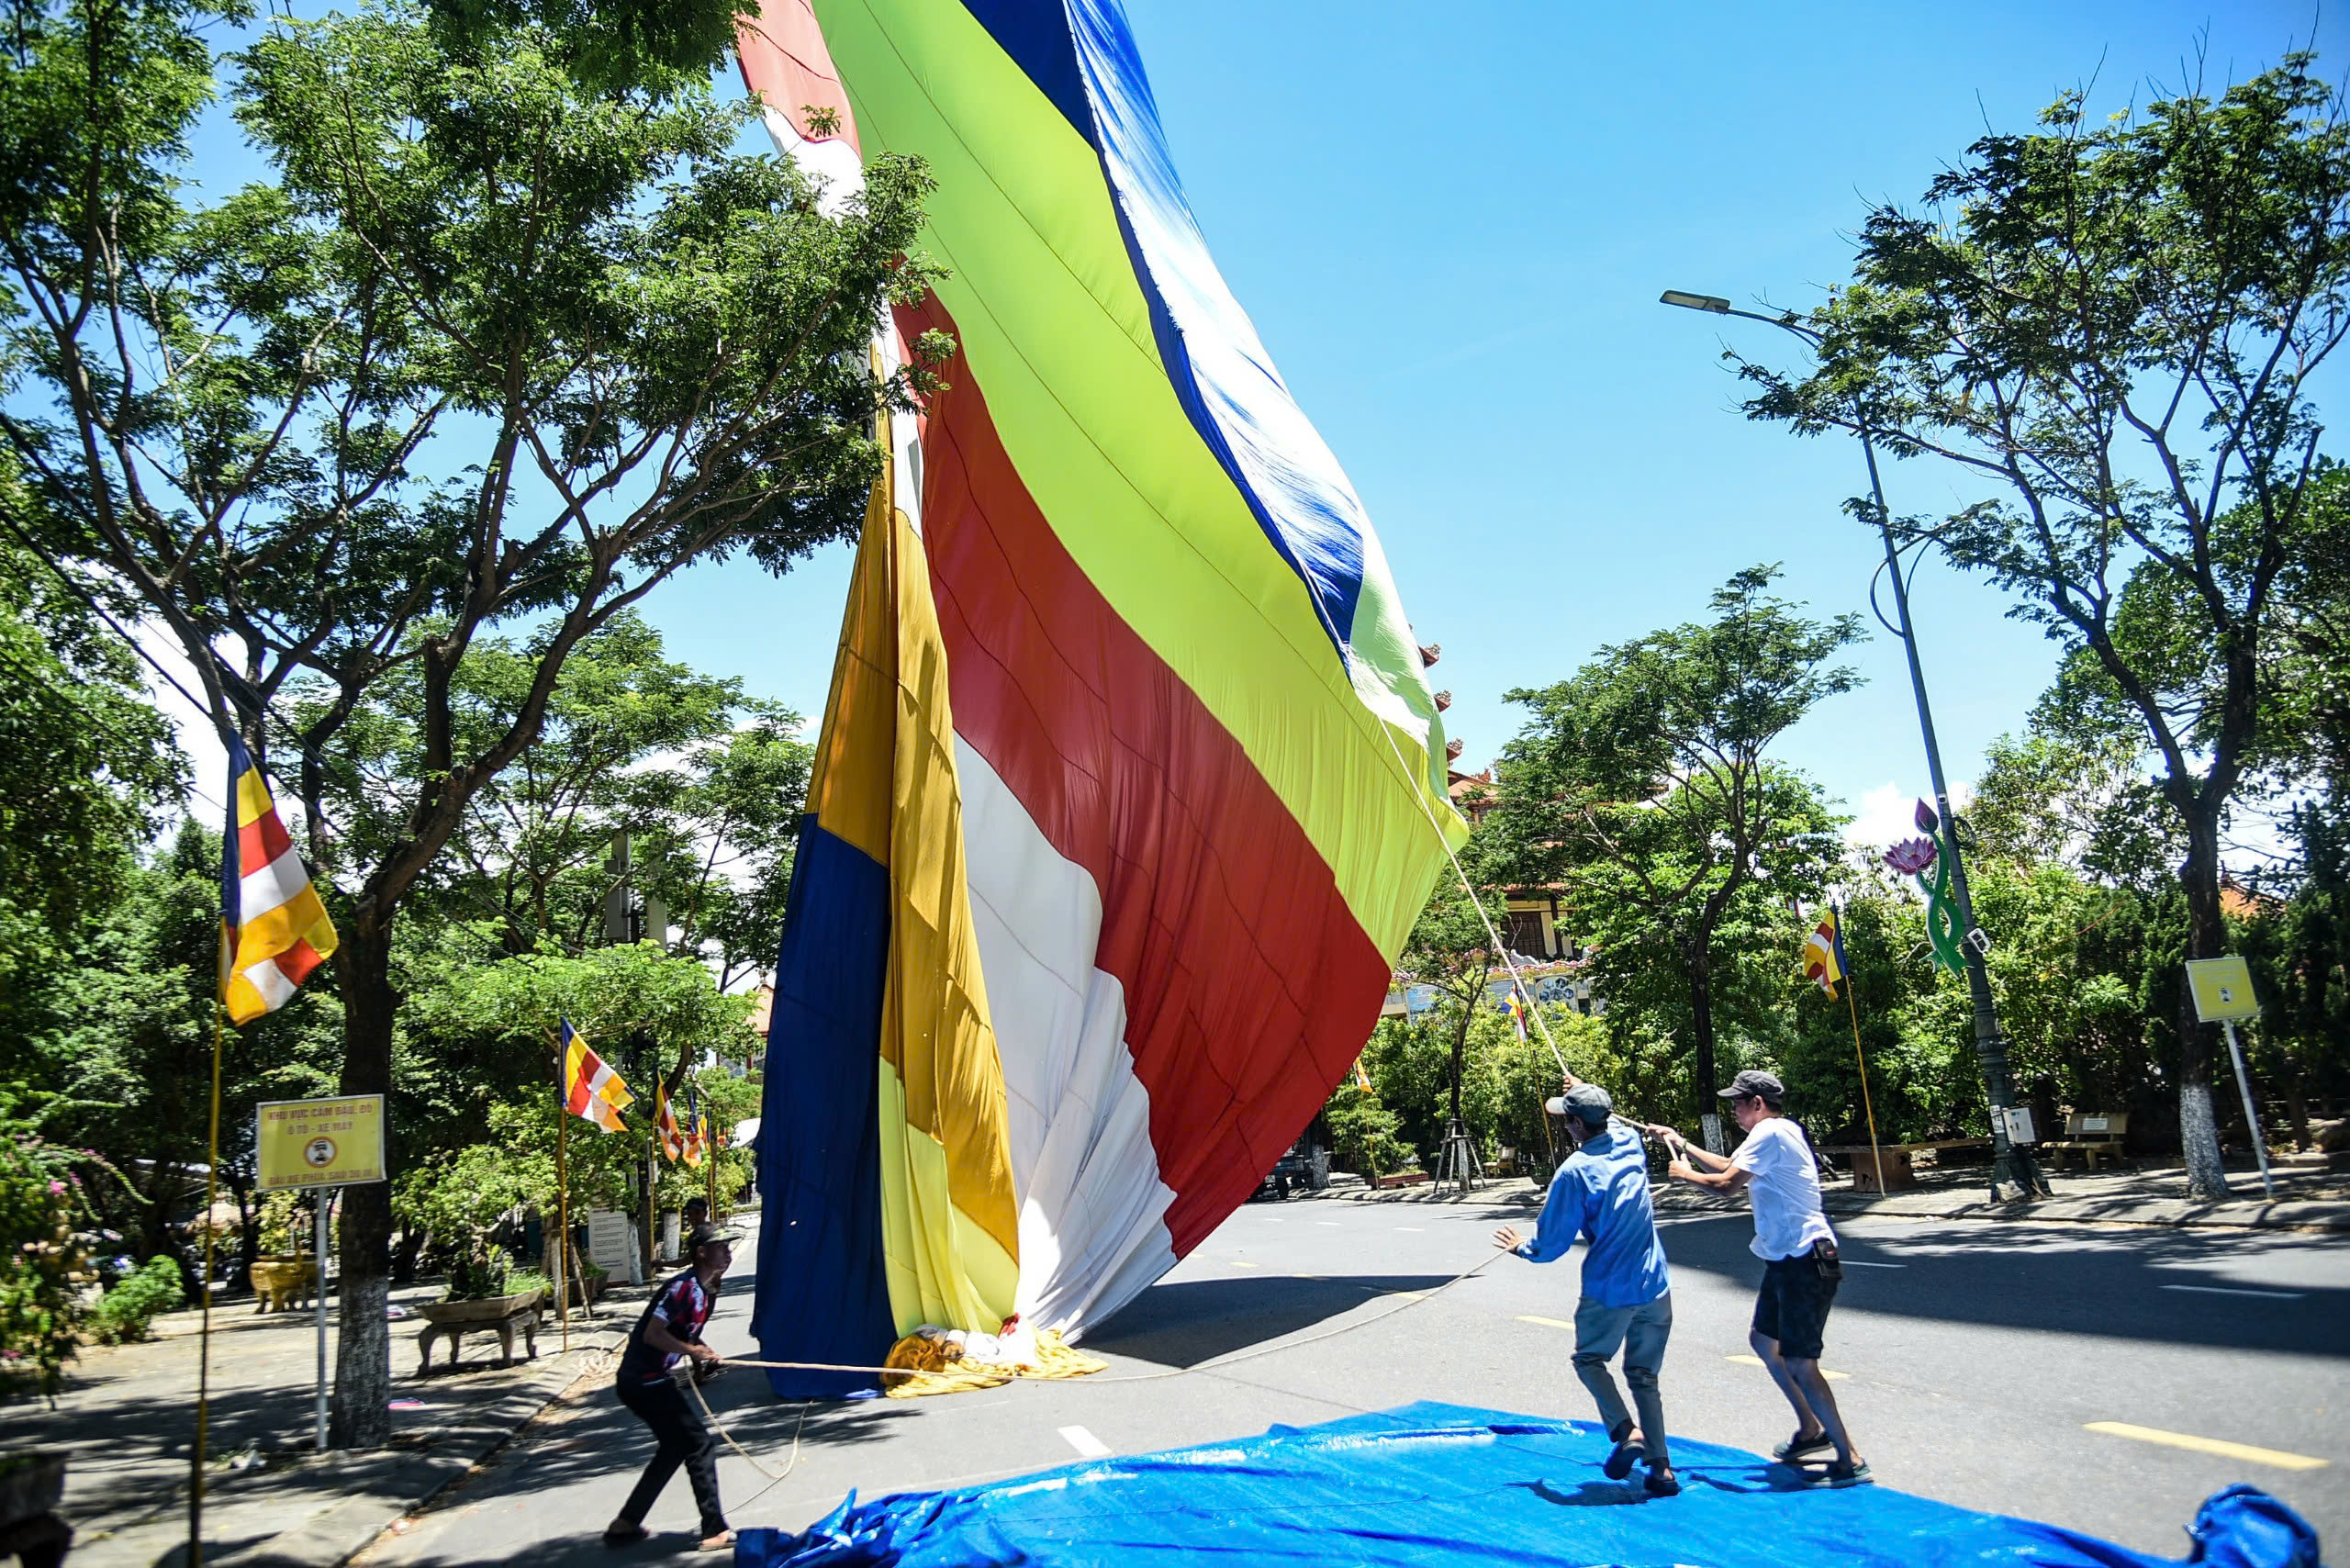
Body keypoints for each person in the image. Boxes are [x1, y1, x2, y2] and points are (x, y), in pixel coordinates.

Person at [1651, 1069, 1871, 1487]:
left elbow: (1725, 1185)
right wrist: (1681, 1143)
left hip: (1805, 1257)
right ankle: (1811, 1430)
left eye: (1738, 1102)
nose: (1733, 1109)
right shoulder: (1771, 1133)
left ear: (1757, 1103)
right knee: (1764, 1342)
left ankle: (1851, 1459)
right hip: (1785, 1257)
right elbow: (1730, 1165)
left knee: (1801, 1362)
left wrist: (1685, 1174)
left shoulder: (1771, 1132)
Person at [1494, 1077, 1679, 1496]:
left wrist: (1522, 1247)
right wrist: (1584, 1090)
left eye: (1567, 1119)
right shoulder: (1630, 1141)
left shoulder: (1573, 1172)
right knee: (1644, 1375)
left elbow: (1551, 1244)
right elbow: (1611, 1121)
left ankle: (1626, 1431)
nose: (1565, 1125)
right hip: (1654, 1282)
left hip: (1609, 1288)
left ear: (1577, 1125)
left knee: (1589, 1360)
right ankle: (1662, 1470)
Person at [605, 1223, 738, 1550]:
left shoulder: (705, 1291)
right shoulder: (681, 1288)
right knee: (698, 1444)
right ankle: (713, 1529)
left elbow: (686, 1334)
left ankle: (626, 1522)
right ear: (701, 1252)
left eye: (729, 1247)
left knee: (674, 1447)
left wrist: (702, 1353)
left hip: (652, 1380)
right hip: (642, 1381)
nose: (727, 1253)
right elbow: (653, 1334)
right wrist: (692, 1351)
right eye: (720, 1247)